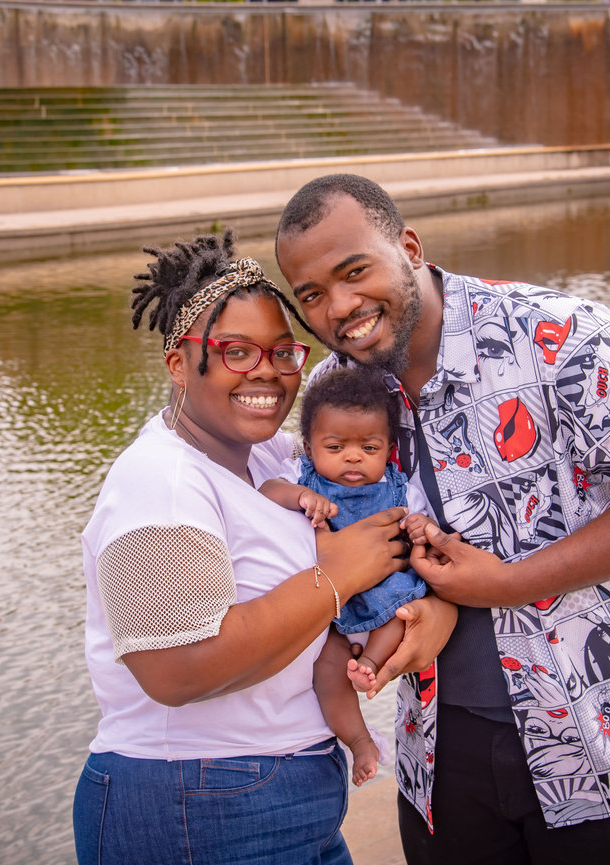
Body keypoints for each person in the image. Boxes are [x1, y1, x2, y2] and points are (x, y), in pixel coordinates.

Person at [274, 174, 610, 865]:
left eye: (354, 270)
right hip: (445, 761)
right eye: (312, 295)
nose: (340, 307)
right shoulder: (333, 397)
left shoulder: (559, 336)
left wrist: (507, 582)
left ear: (410, 247)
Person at [72, 230, 458, 865]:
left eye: (284, 352)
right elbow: (175, 670)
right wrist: (336, 577)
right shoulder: (162, 480)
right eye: (236, 351)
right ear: (178, 363)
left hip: (287, 793)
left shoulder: (272, 457)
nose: (268, 373)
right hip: (192, 803)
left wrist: (428, 607)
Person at [260, 365, 440, 701]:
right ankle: (358, 741)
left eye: (369, 448)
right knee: (327, 665)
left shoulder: (400, 489)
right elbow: (268, 490)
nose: (353, 456)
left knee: (403, 609)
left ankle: (370, 664)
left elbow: (425, 523)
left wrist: (421, 527)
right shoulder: (301, 474)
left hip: (384, 587)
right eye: (336, 447)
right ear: (310, 449)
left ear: (388, 451)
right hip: (324, 596)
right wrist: (300, 496)